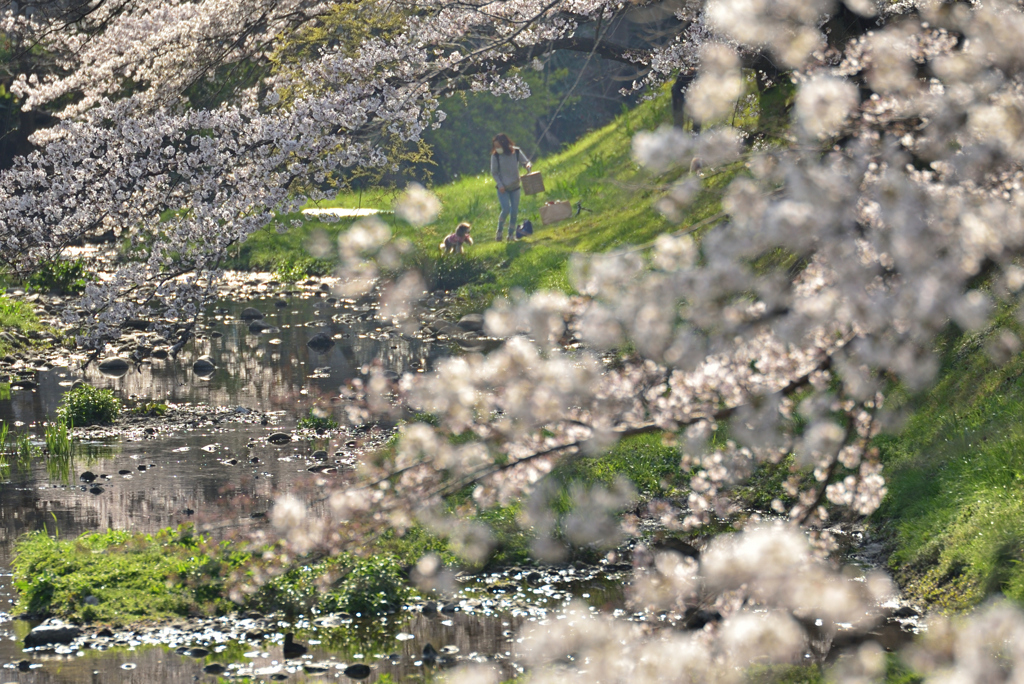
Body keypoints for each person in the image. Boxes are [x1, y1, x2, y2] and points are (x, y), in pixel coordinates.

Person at [490, 133, 531, 241]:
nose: (497, 148)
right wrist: (500, 185)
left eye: (498, 146)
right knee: (506, 209)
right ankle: (499, 232)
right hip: (503, 188)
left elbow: (526, 162)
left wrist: (527, 166)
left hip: (515, 186)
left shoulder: (516, 151)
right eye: (495, 146)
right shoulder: (495, 156)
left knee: (514, 211)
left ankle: (511, 235)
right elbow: (494, 172)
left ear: (504, 144)